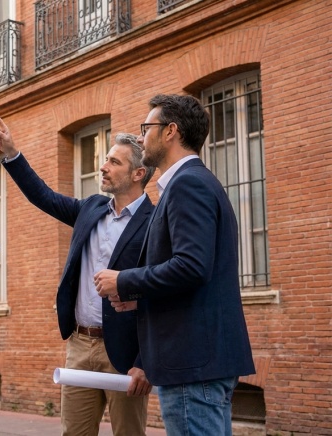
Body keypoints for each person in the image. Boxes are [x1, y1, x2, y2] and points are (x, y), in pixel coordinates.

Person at [94, 94, 255, 435]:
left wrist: (124, 281)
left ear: (170, 132)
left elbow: (191, 266)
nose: (141, 137)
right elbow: (195, 276)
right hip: (196, 362)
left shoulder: (188, 184)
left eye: (147, 128)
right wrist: (141, 298)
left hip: (191, 363)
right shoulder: (188, 182)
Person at [0, 113, 154, 436]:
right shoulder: (90, 208)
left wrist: (145, 362)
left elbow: (159, 293)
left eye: (114, 162)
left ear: (138, 173)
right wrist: (11, 152)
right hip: (79, 345)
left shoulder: (155, 221)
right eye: (105, 159)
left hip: (125, 352)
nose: (103, 166)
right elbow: (44, 196)